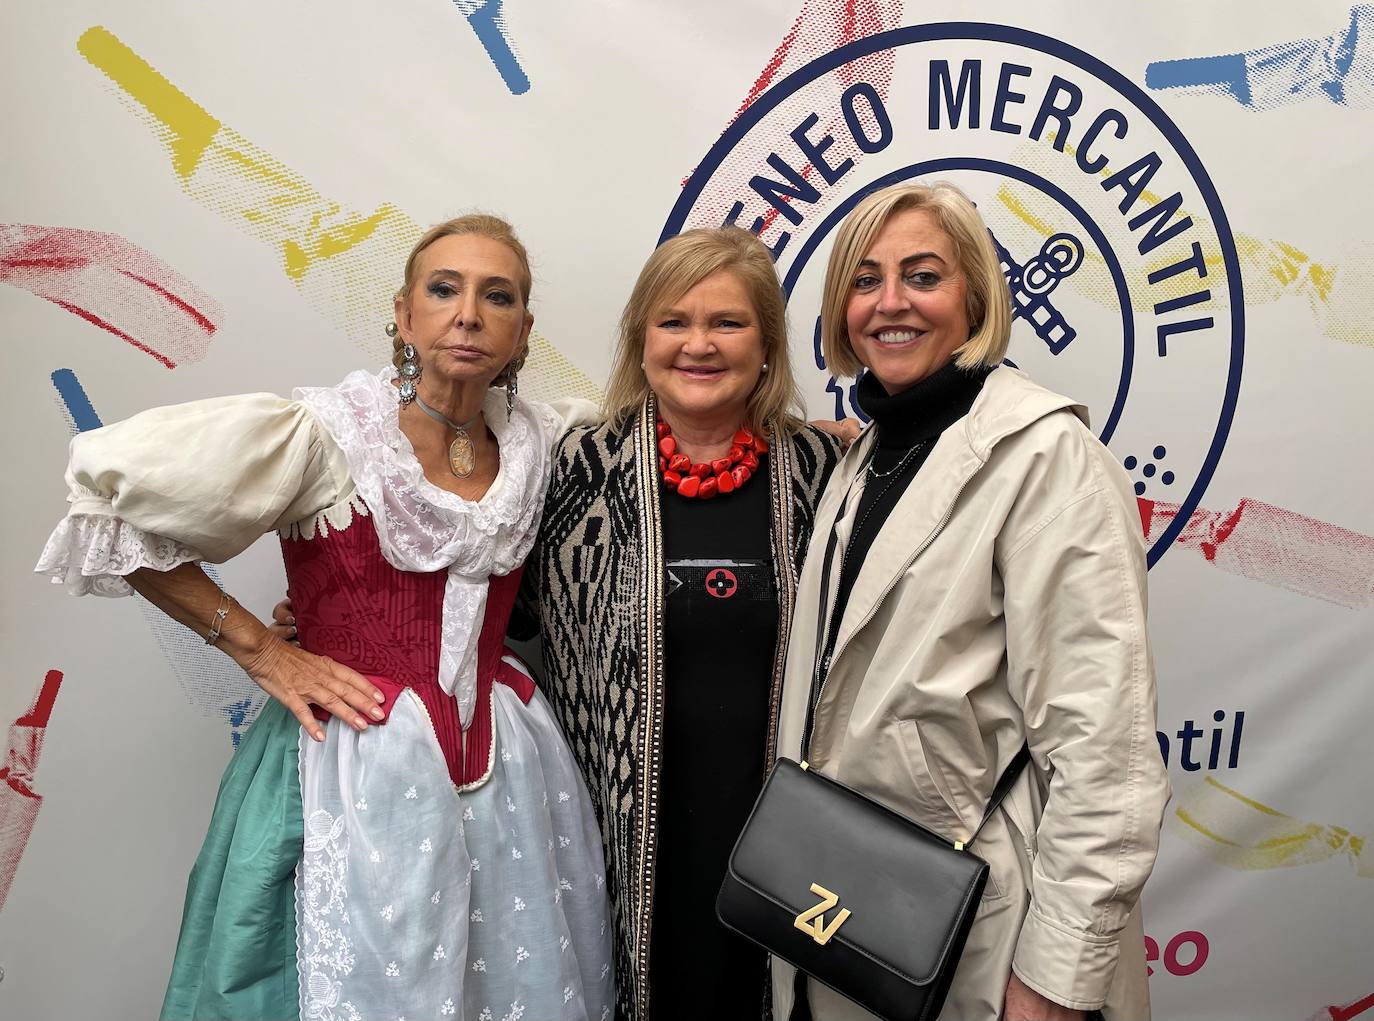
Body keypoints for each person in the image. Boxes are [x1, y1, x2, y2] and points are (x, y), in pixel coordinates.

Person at [36, 214, 615, 1021]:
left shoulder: (543, 439)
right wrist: (266, 654)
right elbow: (110, 501)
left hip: (509, 776)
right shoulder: (327, 433)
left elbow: (684, 427)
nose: (469, 314)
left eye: (498, 296)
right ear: (404, 315)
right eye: (443, 289)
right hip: (341, 769)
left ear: (523, 333)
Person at [772, 183, 1171, 1021]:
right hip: (859, 906)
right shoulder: (871, 453)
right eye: (865, 280)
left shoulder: (1049, 456)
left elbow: (1108, 753)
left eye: (923, 276)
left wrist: (1056, 982)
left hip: (995, 934)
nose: (890, 303)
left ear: (977, 297)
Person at [527, 227, 843, 1020]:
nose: (698, 344)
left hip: (784, 842)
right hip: (617, 839)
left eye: (727, 323)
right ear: (641, 338)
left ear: (767, 342)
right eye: (673, 322)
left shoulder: (820, 472)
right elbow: (492, 604)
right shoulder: (577, 466)